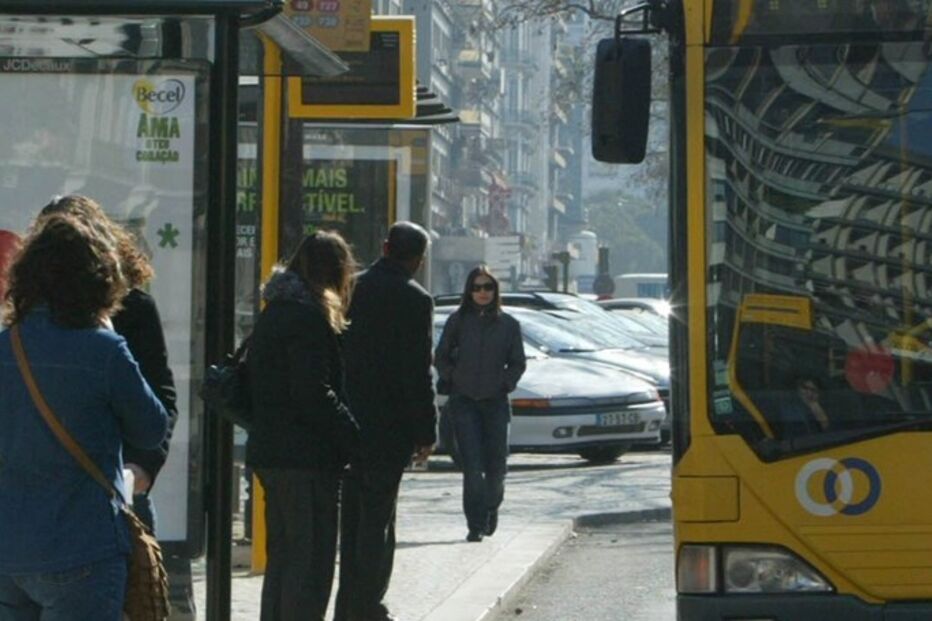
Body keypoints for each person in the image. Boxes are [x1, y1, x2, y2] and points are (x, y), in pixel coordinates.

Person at [0, 214, 168, 619]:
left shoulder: (6, 347)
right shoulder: (105, 349)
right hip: (84, 548)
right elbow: (152, 428)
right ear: (99, 278)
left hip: (10, 549)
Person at [36, 195, 195, 618]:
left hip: (116, 490)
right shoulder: (28, 320)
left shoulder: (132, 308)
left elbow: (160, 400)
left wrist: (143, 468)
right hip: (48, 499)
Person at [246, 230, 360, 621]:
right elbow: (313, 393)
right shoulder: (308, 318)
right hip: (306, 460)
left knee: (284, 560)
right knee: (309, 566)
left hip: (272, 453)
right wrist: (350, 434)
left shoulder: (275, 310)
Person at [335, 222, 438, 621]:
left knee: (353, 520)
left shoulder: (351, 288)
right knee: (379, 520)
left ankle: (349, 605)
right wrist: (425, 431)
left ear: (384, 247)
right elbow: (417, 373)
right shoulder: (416, 300)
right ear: (418, 259)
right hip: (389, 429)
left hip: (345, 420)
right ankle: (367, 605)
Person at [434, 266, 526, 542]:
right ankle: (475, 524)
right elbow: (441, 357)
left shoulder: (508, 324)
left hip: (495, 402)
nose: (482, 293)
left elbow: (518, 362)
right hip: (464, 402)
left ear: (495, 291)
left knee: (497, 467)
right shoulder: (458, 321)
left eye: (488, 287)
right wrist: (453, 377)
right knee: (473, 467)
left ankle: (490, 508)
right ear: (469, 291)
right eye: (477, 287)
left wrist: (504, 383)